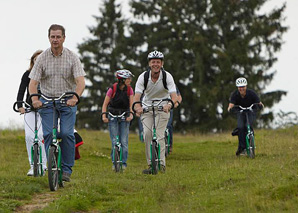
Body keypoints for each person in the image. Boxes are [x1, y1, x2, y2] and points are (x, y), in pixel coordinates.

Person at [29, 24, 86, 182]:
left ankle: (67, 169)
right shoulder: (42, 58)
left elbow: (80, 82)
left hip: (67, 101)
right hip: (47, 101)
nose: (55, 40)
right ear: (49, 38)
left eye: (58, 37)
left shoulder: (72, 57)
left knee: (67, 134)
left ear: (64, 38)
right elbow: (33, 83)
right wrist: (35, 99)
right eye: (52, 37)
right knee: (47, 134)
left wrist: (75, 97)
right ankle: (51, 165)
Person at [133, 50, 179, 174]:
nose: (155, 64)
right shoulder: (143, 77)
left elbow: (174, 96)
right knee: (147, 134)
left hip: (162, 108)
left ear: (162, 64)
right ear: (149, 64)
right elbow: (137, 96)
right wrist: (137, 106)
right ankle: (150, 164)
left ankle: (162, 164)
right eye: (153, 62)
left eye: (158, 62)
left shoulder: (167, 76)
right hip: (147, 108)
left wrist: (169, 105)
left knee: (159, 136)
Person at [16, 50, 47, 176]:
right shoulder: (27, 74)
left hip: (45, 109)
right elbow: (21, 90)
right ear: (33, 61)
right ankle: (33, 166)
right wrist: (20, 105)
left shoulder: (48, 74)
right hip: (30, 108)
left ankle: (43, 165)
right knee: (29, 137)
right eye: (35, 60)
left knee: (41, 136)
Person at [101, 70, 134, 170]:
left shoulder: (129, 90)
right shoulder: (113, 89)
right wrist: (104, 116)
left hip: (124, 115)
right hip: (112, 115)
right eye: (128, 78)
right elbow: (105, 104)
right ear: (122, 80)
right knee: (114, 141)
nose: (130, 80)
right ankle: (114, 162)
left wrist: (131, 114)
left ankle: (123, 163)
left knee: (124, 142)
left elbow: (131, 104)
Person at [227, 77, 263, 156]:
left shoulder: (251, 93)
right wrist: (230, 108)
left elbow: (259, 102)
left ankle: (251, 142)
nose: (241, 88)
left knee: (248, 125)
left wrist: (260, 106)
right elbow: (231, 105)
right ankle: (242, 148)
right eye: (239, 87)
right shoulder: (235, 94)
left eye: (243, 86)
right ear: (237, 87)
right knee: (241, 127)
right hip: (240, 112)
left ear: (246, 86)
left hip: (250, 111)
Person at [166, 86, 182, 153]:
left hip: (169, 106)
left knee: (168, 125)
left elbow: (179, 96)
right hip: (158, 106)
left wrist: (177, 103)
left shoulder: (171, 83)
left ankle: (169, 145)